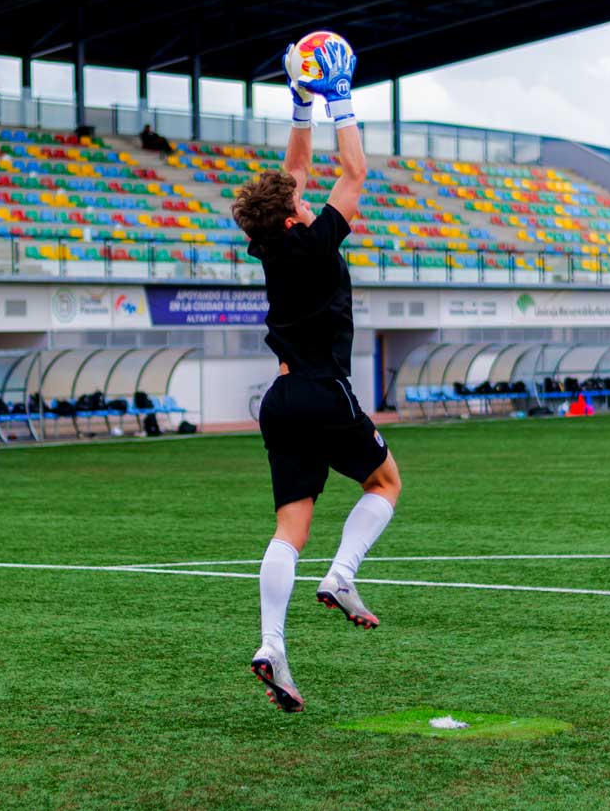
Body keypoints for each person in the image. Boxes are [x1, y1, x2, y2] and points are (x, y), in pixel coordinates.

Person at [231, 39, 401, 713]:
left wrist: (298, 104)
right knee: (385, 482)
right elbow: (353, 171)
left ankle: (272, 644)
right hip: (322, 391)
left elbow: (293, 173)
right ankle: (342, 575)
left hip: (278, 400)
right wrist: (338, 99)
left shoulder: (274, 243)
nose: (306, 198)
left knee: (288, 527)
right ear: (294, 215)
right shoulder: (313, 240)